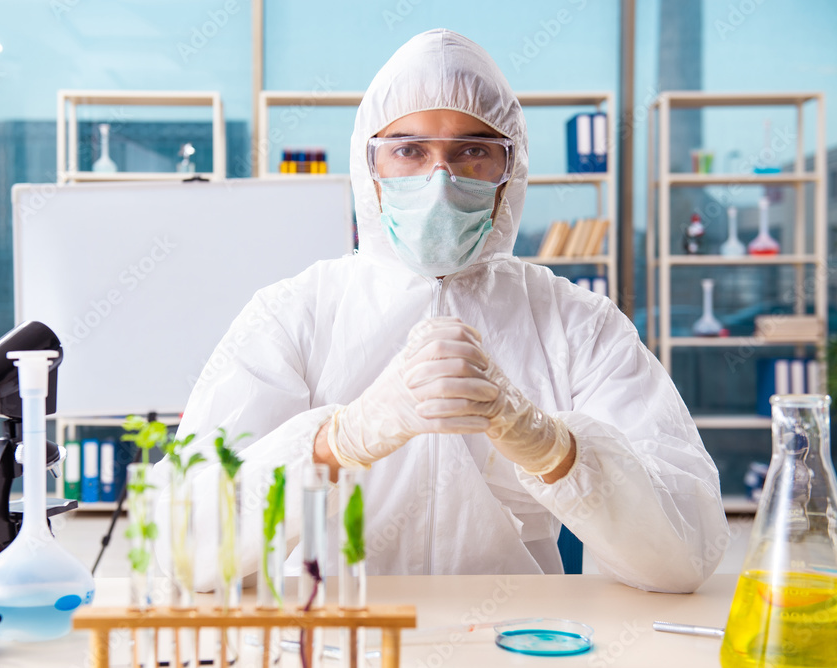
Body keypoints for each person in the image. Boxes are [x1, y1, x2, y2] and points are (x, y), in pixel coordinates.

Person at [154, 29, 729, 594]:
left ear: (511, 168)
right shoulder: (294, 313)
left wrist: (552, 448)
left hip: (516, 638)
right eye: (408, 150)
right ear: (368, 165)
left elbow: (686, 553)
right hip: (336, 637)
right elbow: (181, 546)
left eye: (472, 151)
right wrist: (335, 442)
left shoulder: (577, 321)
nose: (440, 180)